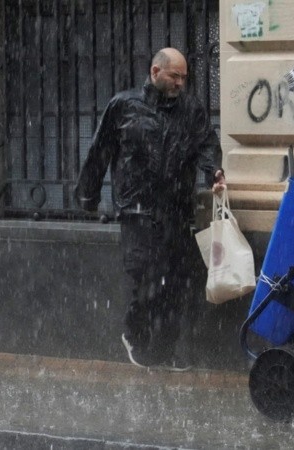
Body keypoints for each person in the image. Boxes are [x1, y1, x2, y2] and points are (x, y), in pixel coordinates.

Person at [75, 48, 226, 370]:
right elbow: (100, 150)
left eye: (184, 77)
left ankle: (165, 351)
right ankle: (135, 333)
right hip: (137, 210)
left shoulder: (190, 109)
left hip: (174, 208)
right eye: (175, 76)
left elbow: (206, 143)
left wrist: (213, 172)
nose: (180, 83)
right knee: (145, 277)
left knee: (174, 283)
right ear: (155, 71)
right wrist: (87, 195)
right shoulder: (125, 106)